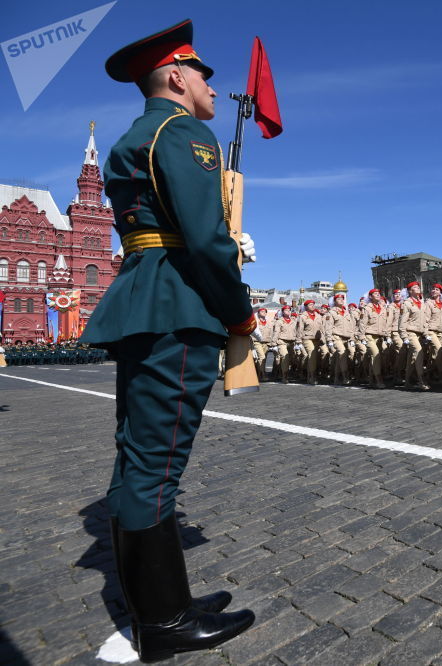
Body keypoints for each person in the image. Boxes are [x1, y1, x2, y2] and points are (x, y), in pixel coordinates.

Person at [79, 19, 255, 661]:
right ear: (178, 76)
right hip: (175, 305)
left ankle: (166, 601)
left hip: (145, 296)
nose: (212, 86)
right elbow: (204, 237)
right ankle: (164, 623)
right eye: (204, 74)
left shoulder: (139, 135)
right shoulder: (182, 132)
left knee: (140, 454)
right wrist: (238, 311)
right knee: (157, 465)